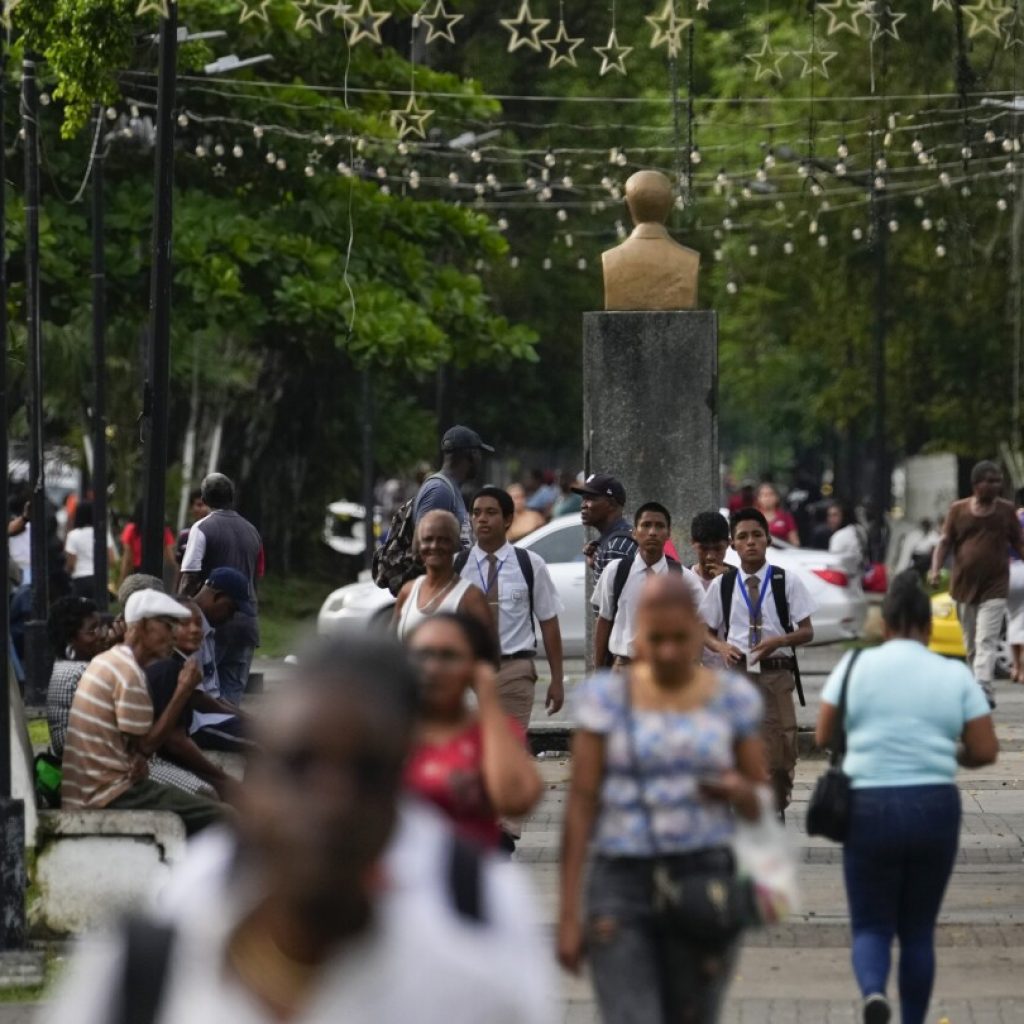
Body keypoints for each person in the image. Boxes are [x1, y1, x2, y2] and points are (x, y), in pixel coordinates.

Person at [43, 633, 554, 1024]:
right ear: (257, 782)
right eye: (298, 766)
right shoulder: (147, 967)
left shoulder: (468, 990)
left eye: (367, 774)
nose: (331, 802)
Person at [558, 575, 767, 1023]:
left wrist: (737, 791)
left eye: (679, 637)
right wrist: (568, 913)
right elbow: (580, 803)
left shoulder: (732, 700)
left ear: (697, 630)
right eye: (656, 638)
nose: (669, 650)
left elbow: (758, 800)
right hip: (620, 882)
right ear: (637, 635)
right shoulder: (604, 700)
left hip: (702, 880)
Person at [815, 571, 998, 1024]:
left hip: (867, 807)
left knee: (872, 925)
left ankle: (874, 992)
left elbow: (823, 734)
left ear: (887, 624)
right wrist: (946, 752)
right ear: (929, 626)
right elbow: (985, 749)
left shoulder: (854, 666)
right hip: (933, 806)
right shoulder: (954, 674)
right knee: (917, 931)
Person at [60, 589, 221, 835]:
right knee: (225, 816)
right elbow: (146, 747)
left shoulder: (111, 660)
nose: (173, 635)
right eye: (168, 627)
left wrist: (139, 758)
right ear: (144, 626)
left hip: (92, 787)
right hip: (107, 793)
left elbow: (137, 751)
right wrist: (183, 690)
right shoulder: (128, 672)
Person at [701, 507, 815, 814]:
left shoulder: (785, 581)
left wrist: (779, 641)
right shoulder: (722, 586)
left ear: (768, 539)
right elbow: (705, 631)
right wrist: (721, 647)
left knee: (781, 749)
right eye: (742, 537)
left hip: (776, 674)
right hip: (737, 674)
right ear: (733, 545)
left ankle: (776, 803)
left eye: (757, 535)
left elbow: (807, 632)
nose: (750, 542)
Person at [405, 613, 543, 851]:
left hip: (473, 875)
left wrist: (488, 698)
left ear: (475, 666)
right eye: (423, 655)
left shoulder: (493, 731)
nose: (433, 668)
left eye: (449, 656)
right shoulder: (386, 729)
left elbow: (516, 799)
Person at [461, 486, 565, 726]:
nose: (482, 519)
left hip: (514, 668)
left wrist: (557, 679)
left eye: (490, 512)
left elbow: (549, 623)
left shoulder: (530, 564)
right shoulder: (459, 565)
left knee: (509, 745)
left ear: (508, 519)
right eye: (476, 513)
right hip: (469, 671)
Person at [929, 460, 1024, 707]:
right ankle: (977, 686)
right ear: (976, 485)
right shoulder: (958, 510)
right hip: (963, 586)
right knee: (971, 642)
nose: (995, 485)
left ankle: (983, 686)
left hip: (995, 585)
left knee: (986, 638)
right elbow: (945, 542)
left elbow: (1019, 543)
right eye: (990, 481)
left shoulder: (1006, 511)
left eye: (998, 481)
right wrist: (936, 570)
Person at [179, 473, 263, 705]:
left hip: (214, 626)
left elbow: (189, 578)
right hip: (246, 623)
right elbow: (256, 576)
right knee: (231, 701)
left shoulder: (202, 528)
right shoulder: (252, 531)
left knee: (206, 698)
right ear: (232, 497)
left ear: (204, 498)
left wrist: (177, 616)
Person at [144, 598, 238, 801]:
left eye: (198, 623)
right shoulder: (168, 668)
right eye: (184, 624)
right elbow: (174, 742)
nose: (195, 630)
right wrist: (220, 776)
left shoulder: (181, 665)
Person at [594, 502, 705, 671]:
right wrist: (598, 669)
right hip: (625, 667)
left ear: (668, 534)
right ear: (634, 533)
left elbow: (701, 623)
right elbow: (604, 619)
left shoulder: (684, 578)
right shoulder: (616, 571)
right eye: (646, 525)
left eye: (659, 526)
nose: (652, 532)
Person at [394, 511, 494, 642]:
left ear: (454, 544)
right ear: (419, 545)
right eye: (428, 539)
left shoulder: (471, 597)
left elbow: (489, 654)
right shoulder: (408, 591)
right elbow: (391, 647)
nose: (434, 546)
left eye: (443, 540)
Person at [189, 568, 258, 752]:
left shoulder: (208, 629)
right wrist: (243, 718)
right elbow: (197, 698)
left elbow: (215, 694)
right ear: (218, 597)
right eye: (231, 609)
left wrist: (245, 717)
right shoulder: (190, 630)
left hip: (213, 716)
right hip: (198, 722)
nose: (231, 617)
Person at [46, 596, 108, 758]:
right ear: (70, 639)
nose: (102, 634)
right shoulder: (82, 672)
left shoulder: (63, 665)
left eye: (101, 626)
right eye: (92, 629)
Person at [413, 425, 494, 547]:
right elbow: (423, 547)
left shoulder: (451, 489)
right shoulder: (439, 490)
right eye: (479, 453)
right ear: (472, 455)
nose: (480, 460)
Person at [574, 473, 637, 585]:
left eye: (590, 499)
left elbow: (615, 600)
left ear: (611, 504)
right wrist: (596, 565)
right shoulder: (613, 541)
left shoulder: (616, 546)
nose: (583, 505)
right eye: (583, 499)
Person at [64, 501, 117, 600]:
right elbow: (111, 560)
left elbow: (71, 564)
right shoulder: (103, 534)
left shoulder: (73, 535)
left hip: (80, 580)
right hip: (99, 579)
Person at [119, 499, 177, 581]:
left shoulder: (131, 529)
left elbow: (127, 560)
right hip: (156, 574)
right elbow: (170, 560)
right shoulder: (164, 531)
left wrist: (122, 581)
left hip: (137, 573)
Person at [827, 501, 868, 580]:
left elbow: (833, 565)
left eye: (835, 515)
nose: (831, 519)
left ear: (844, 515)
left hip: (845, 580)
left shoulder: (839, 536)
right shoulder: (860, 530)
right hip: (860, 579)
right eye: (829, 515)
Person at [1008, 494, 1024, 682]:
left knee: (1012, 619)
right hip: (1023, 569)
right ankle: (1022, 671)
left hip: (1007, 572)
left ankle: (1015, 667)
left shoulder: (1009, 519)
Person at [174, 488, 210, 572]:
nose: (204, 509)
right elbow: (180, 566)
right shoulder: (184, 535)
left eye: (207, 505)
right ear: (191, 508)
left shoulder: (215, 534)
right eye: (199, 505)